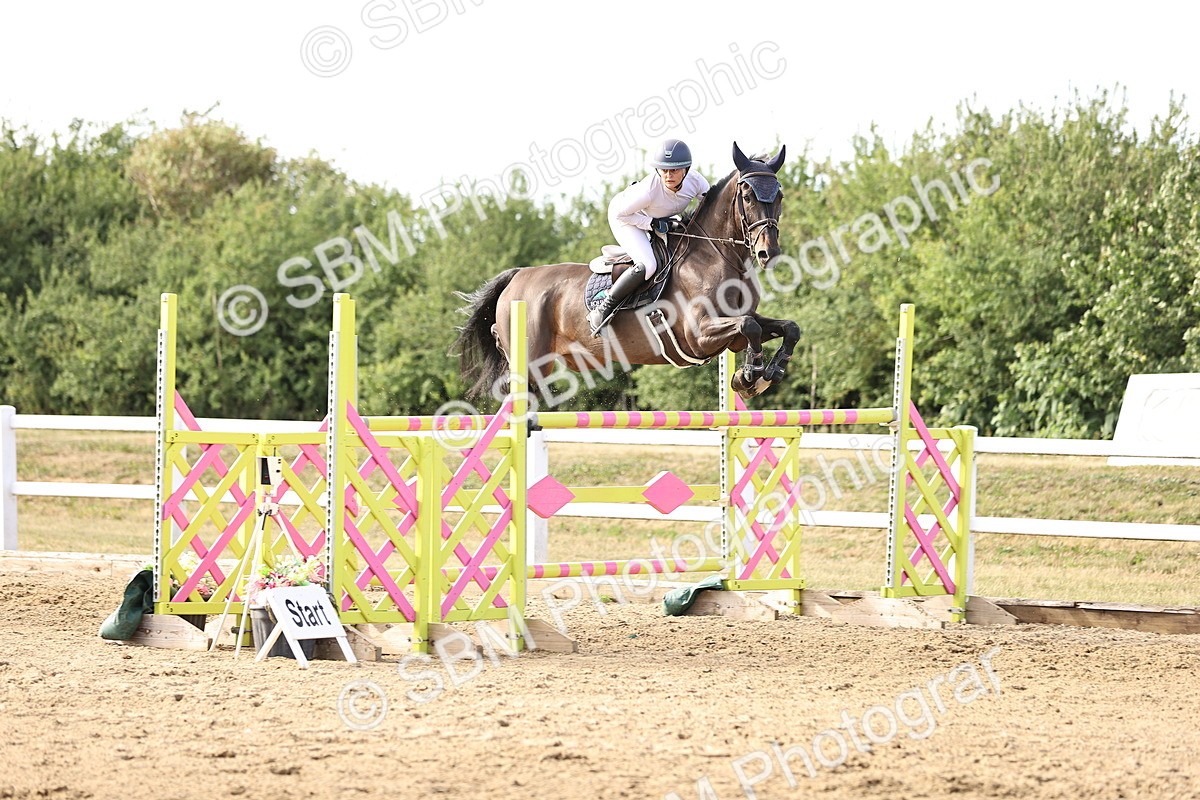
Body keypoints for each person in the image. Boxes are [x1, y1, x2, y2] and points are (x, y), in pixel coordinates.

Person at [588, 138, 710, 334]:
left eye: (674, 170)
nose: (668, 175)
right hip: (627, 218)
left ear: (686, 170)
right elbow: (622, 214)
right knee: (649, 265)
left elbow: (710, 209)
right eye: (664, 170)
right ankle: (603, 308)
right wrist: (651, 224)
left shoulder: (696, 182)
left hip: (658, 217)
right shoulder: (649, 190)